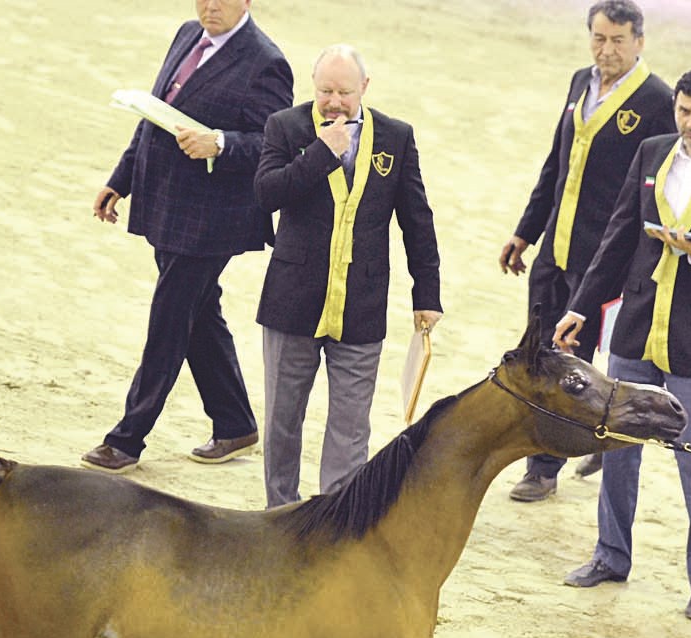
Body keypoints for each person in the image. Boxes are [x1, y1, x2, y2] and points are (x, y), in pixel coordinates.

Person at [554, 67, 691, 622]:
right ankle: (610, 555)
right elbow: (619, 235)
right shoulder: (654, 152)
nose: (690, 122)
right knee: (615, 440)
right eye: (683, 110)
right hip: (637, 323)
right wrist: (582, 304)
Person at [83, 0, 293, 474]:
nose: (210, 5)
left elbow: (274, 142)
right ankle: (235, 423)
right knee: (198, 311)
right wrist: (121, 180)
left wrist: (220, 142)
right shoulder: (186, 35)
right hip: (168, 203)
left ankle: (127, 440)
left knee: (170, 318)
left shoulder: (267, 61)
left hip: (215, 217)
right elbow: (154, 115)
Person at [499, 0, 674, 502]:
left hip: (606, 258)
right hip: (556, 244)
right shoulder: (581, 81)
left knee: (575, 361)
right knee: (540, 349)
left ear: (639, 41)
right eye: (599, 38)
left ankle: (545, 466)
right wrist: (526, 231)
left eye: (618, 40)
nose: (607, 50)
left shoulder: (658, 100)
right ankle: (559, 449)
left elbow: (652, 190)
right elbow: (556, 164)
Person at [254, 44, 442, 507]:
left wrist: (427, 294)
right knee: (283, 419)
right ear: (312, 87)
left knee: (351, 424)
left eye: (344, 92)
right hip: (292, 302)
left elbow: (417, 220)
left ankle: (335, 523)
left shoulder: (396, 137)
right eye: (325, 91)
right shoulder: (286, 126)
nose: (334, 102)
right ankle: (280, 511)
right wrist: (321, 152)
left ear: (365, 88)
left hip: (361, 305)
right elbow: (266, 193)